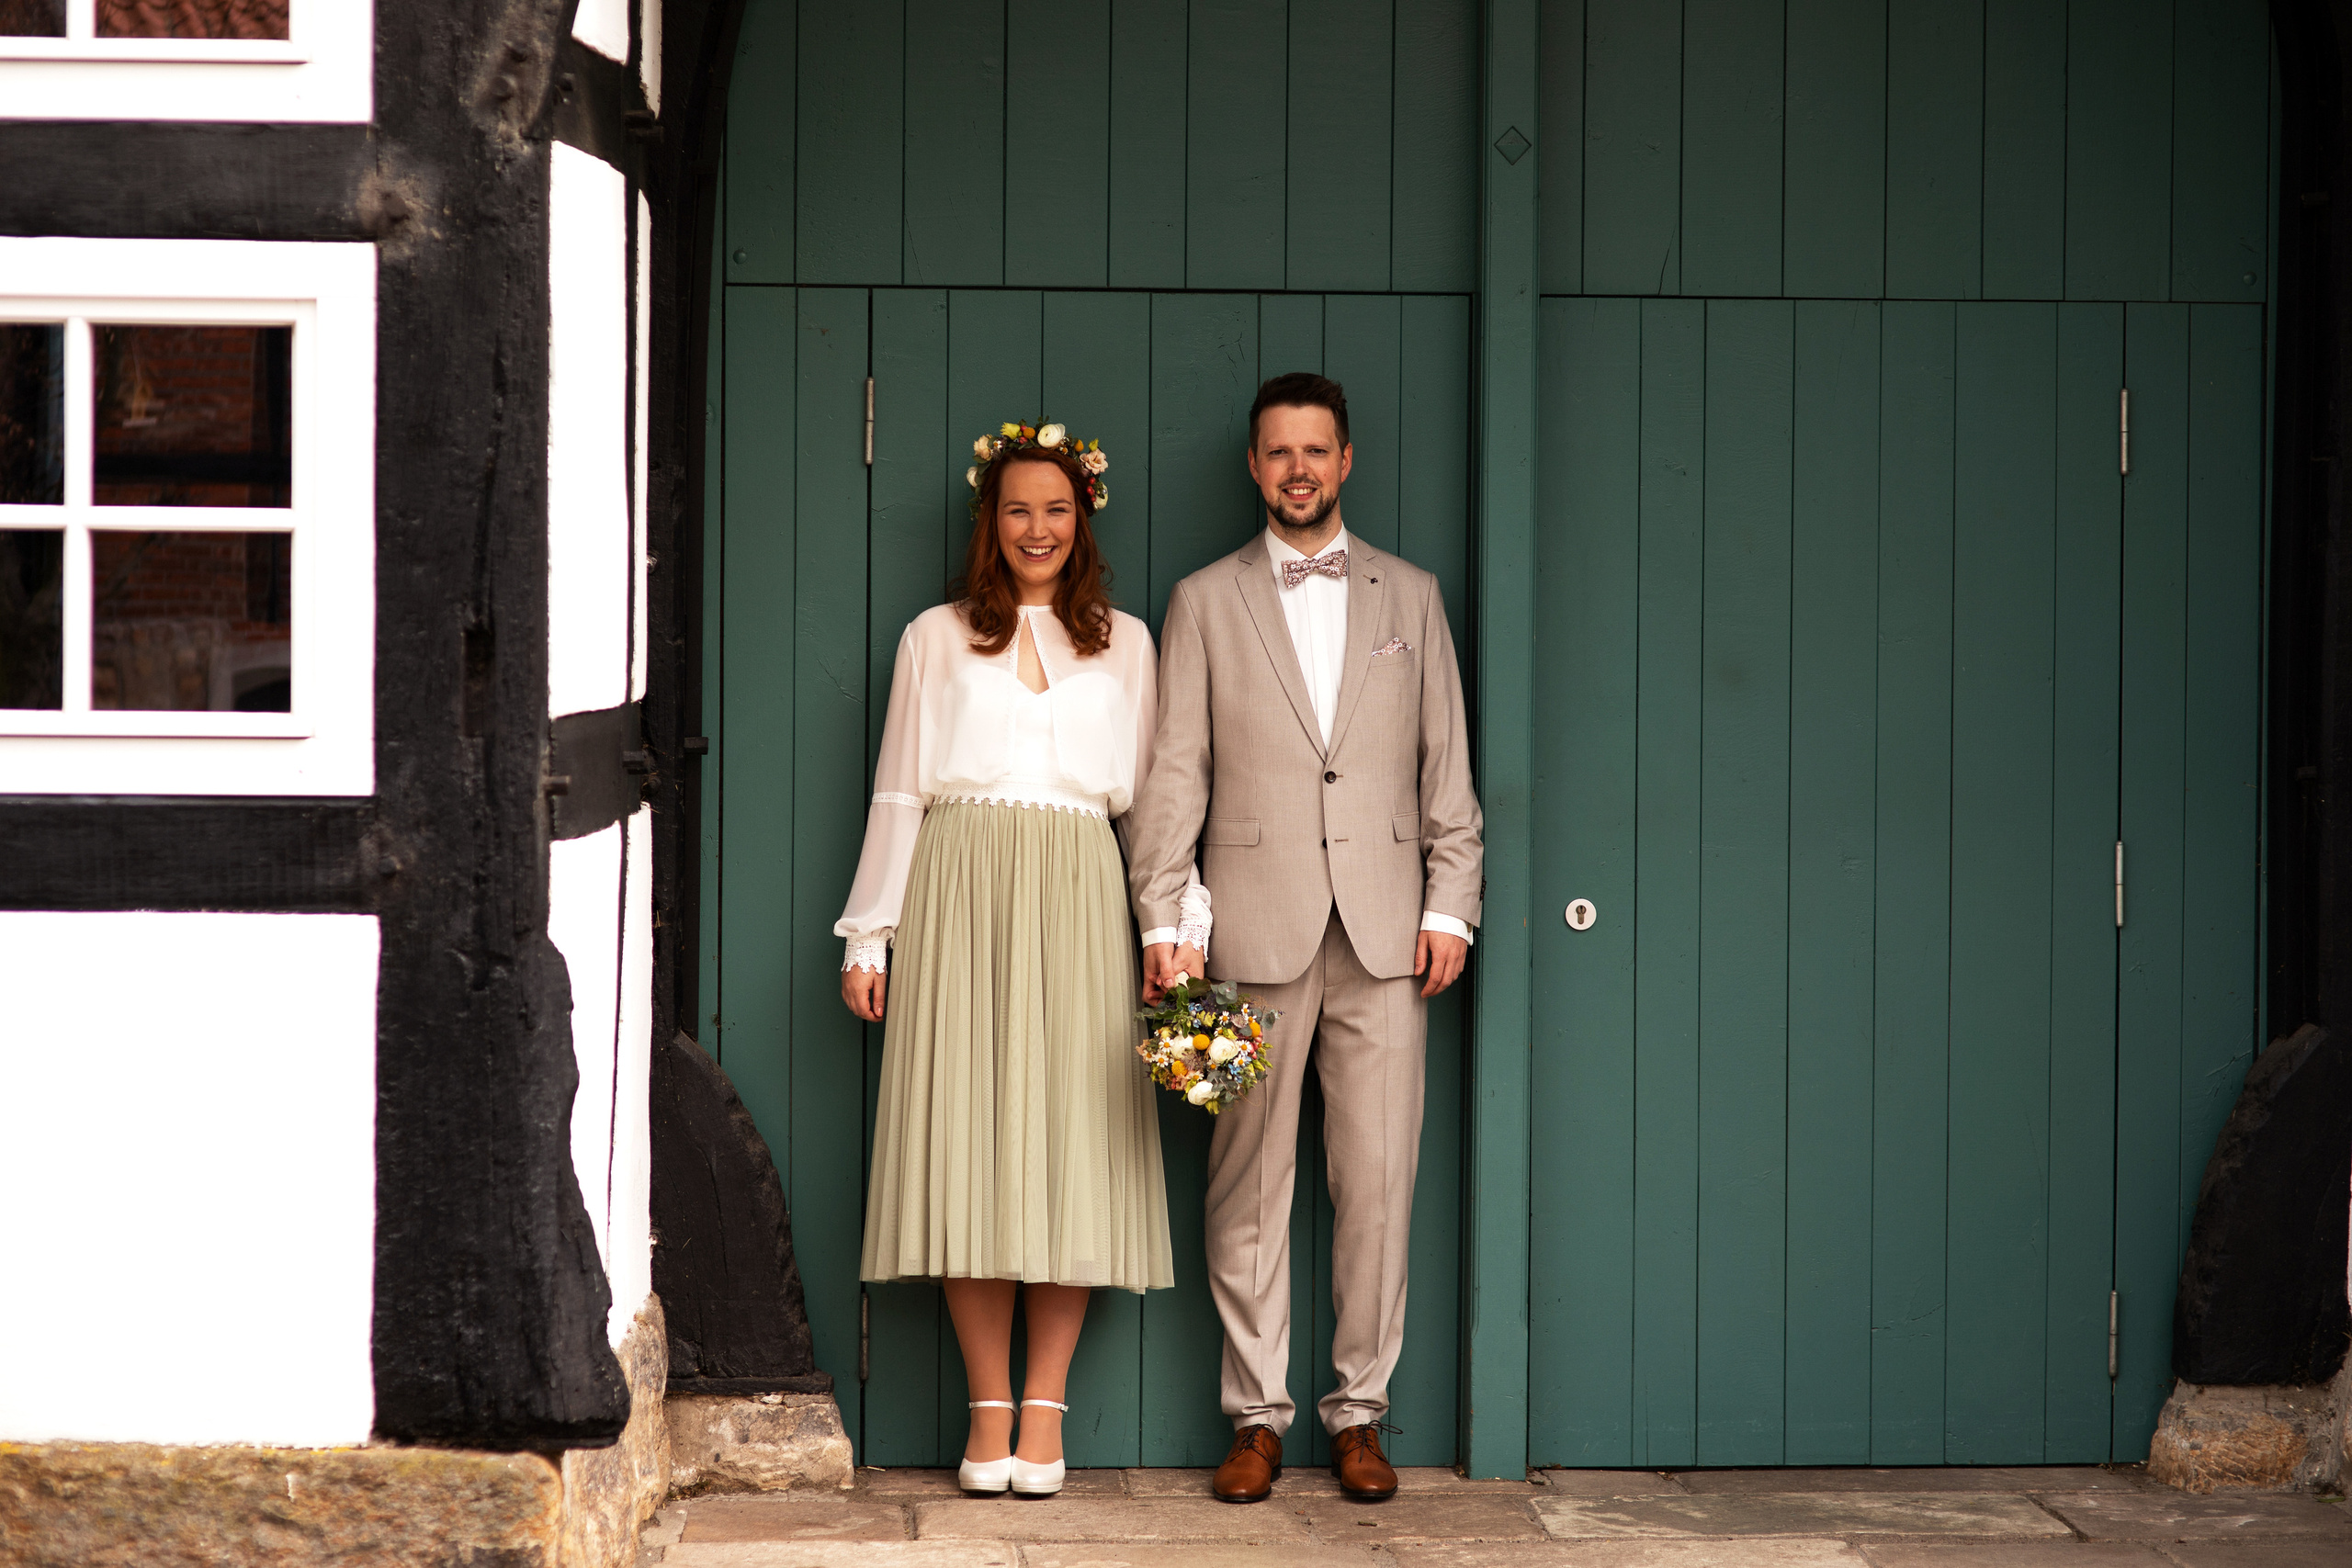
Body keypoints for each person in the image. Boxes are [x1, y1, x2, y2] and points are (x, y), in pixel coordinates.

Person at [1124, 373, 1484, 1504]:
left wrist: (1449, 903)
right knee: (1246, 1186)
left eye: (1314, 451)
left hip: (1385, 937)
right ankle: (1256, 1418)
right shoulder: (1202, 599)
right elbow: (1173, 773)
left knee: (1378, 1185)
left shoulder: (1410, 597)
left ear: (1345, 460)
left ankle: (1361, 1416)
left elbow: (1447, 766)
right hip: (1247, 931)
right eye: (1277, 452)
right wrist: (1164, 917)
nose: (1297, 470)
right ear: (1252, 466)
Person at [836, 422, 1205, 1498]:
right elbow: (900, 787)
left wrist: (1166, 930)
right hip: (956, 891)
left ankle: (1044, 1410)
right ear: (986, 524)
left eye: (1054, 509)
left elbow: (1157, 809)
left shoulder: (1127, 643)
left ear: (1080, 517)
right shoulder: (933, 637)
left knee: (1072, 1147)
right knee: (968, 1144)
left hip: (1083, 893)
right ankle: (986, 1405)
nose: (1036, 528)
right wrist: (873, 929)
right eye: (1015, 510)